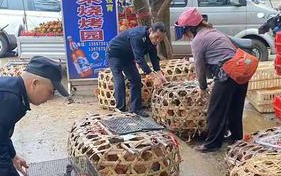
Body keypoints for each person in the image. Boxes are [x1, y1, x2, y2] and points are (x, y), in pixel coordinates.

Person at [174, 8, 249, 152]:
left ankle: (212, 144)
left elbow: (199, 67)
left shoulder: (198, 40)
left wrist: (202, 87)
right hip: (242, 71)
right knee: (235, 107)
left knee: (215, 111)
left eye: (185, 32)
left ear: (191, 28)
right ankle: (236, 137)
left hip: (227, 74)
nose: (186, 35)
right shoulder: (214, 32)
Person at [107, 22, 166, 116]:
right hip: (115, 53)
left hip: (128, 56)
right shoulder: (137, 36)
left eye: (161, 39)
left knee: (136, 79)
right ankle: (120, 109)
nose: (158, 40)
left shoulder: (152, 41)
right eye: (156, 37)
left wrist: (159, 74)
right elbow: (139, 59)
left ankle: (135, 109)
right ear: (151, 30)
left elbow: (154, 57)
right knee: (119, 79)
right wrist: (153, 77)